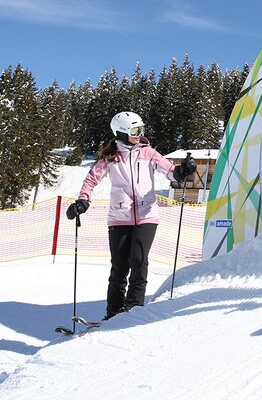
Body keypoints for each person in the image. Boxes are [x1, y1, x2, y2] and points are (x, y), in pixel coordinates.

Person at [66, 111, 196, 320]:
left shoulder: (149, 153)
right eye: (135, 131)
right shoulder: (110, 156)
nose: (140, 134)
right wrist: (83, 200)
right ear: (121, 133)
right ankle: (113, 314)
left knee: (138, 260)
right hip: (119, 216)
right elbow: (91, 180)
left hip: (146, 214)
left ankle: (132, 310)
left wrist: (183, 171)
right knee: (119, 267)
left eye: (141, 129)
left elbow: (171, 172)